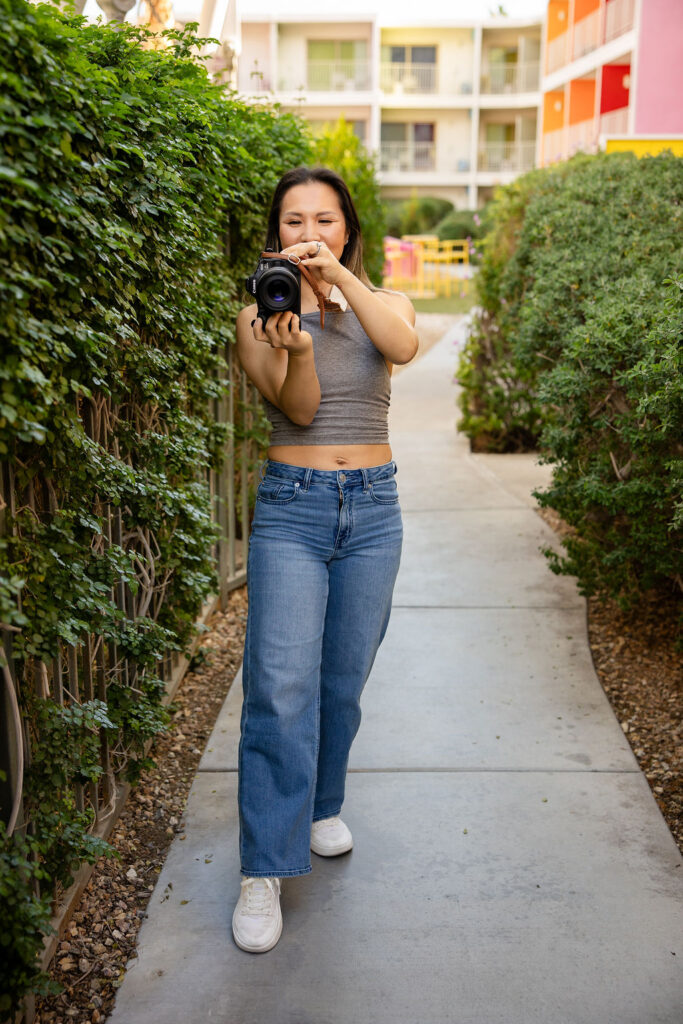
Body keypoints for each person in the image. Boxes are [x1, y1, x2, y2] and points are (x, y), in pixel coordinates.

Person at [231, 166, 418, 953]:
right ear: (274, 235)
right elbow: (299, 409)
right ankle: (262, 870)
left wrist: (338, 282)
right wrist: (298, 346)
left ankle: (317, 806)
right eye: (294, 222)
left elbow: (401, 345)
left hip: (373, 511)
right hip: (291, 512)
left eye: (325, 221)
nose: (308, 233)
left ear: (347, 230)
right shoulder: (257, 316)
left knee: (342, 680)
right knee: (279, 685)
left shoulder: (385, 303)